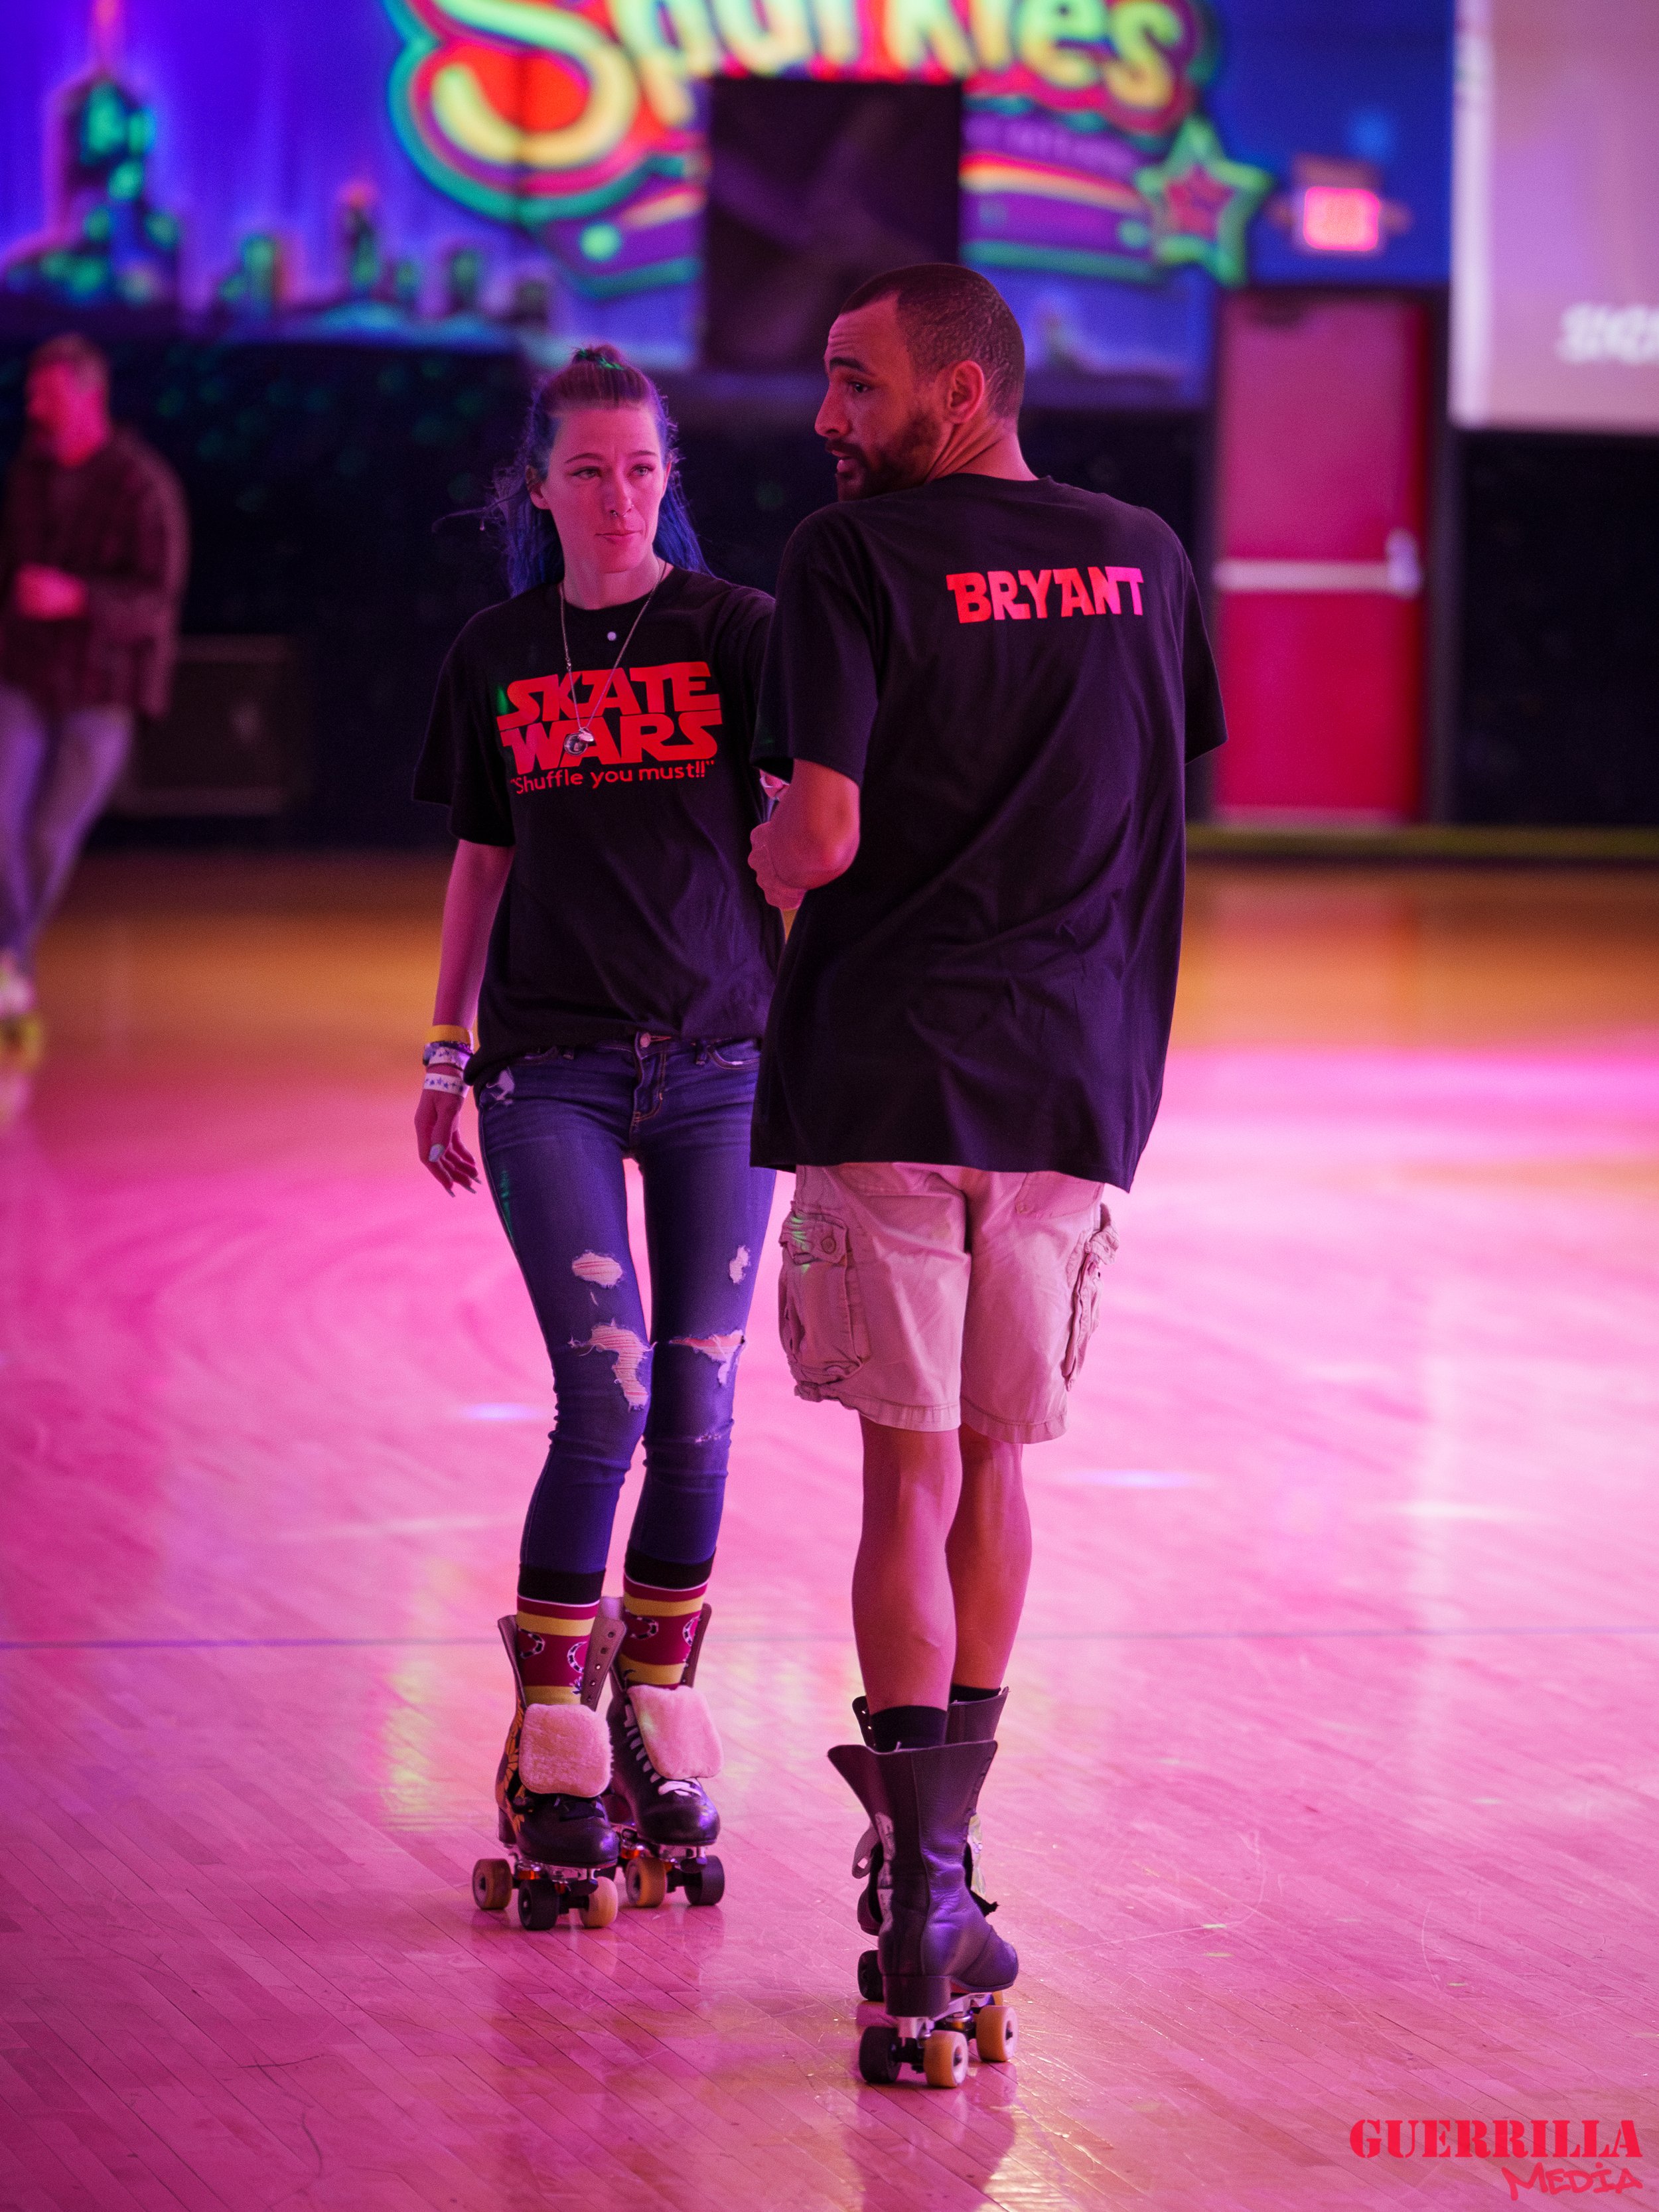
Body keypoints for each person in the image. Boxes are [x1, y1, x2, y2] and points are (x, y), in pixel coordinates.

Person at [747, 264, 1226, 2073]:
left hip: (890, 1068)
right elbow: (1161, 779)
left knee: (902, 1472)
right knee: (998, 1467)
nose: (824, 420)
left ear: (958, 389)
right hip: (1070, 1083)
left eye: (853, 384)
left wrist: (766, 851)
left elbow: (828, 825)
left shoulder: (845, 560)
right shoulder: (1144, 554)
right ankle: (946, 1868)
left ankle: (913, 1885)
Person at [413, 346, 779, 1916]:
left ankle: (657, 1698)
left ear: (668, 474)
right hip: (549, 1065)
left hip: (723, 1065)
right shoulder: (500, 650)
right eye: (588, 472)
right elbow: (480, 861)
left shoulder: (737, 634)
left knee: (701, 1395)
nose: (620, 497)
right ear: (539, 488)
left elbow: (808, 825)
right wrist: (443, 1046)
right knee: (608, 1391)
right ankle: (556, 1720)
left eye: (644, 470)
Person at [0, 333, 188, 1049]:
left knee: (47, 836)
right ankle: (11, 960)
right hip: (24, 675)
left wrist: (76, 598)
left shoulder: (142, 487)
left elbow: (154, 603)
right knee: (2, 824)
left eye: (45, 393)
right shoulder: (29, 474)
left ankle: (11, 957)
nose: (33, 407)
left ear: (86, 395)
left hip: (100, 691)